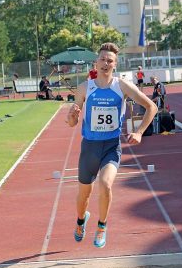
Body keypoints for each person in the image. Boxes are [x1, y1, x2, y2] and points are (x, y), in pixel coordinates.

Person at [66, 42, 157, 248]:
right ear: (96, 63)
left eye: (110, 60)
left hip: (111, 146)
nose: (105, 63)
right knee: (83, 196)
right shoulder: (84, 88)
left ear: (115, 65)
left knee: (105, 184)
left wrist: (140, 132)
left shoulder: (121, 86)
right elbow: (71, 123)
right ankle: (81, 220)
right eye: (102, 59)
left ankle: (101, 226)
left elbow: (151, 106)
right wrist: (72, 116)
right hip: (89, 147)